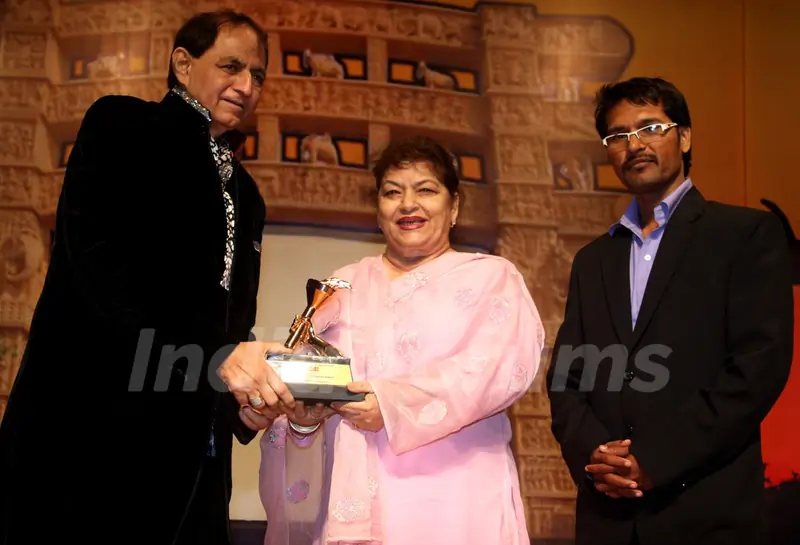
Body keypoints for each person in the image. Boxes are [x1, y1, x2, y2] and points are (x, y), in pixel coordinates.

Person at [0, 10, 295, 545]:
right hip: (92, 433)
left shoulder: (247, 196)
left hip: (195, 457)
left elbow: (233, 324)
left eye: (258, 76)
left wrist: (241, 408)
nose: (247, 86)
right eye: (231, 66)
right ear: (183, 63)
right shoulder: (122, 127)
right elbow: (98, 273)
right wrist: (216, 357)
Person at [255, 136, 545, 545]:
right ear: (378, 211)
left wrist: (389, 406)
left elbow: (495, 369)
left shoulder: (491, 278)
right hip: (354, 502)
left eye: (426, 189)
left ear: (455, 206)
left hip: (457, 502)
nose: (408, 204)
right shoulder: (343, 284)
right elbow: (308, 376)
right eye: (392, 192)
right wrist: (303, 420)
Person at [546, 76, 794, 545]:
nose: (633, 145)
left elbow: (756, 369)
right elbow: (567, 378)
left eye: (650, 128)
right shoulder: (593, 260)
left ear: (684, 137)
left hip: (705, 511)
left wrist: (654, 461)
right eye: (617, 136)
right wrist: (597, 456)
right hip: (607, 517)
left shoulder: (743, 236)